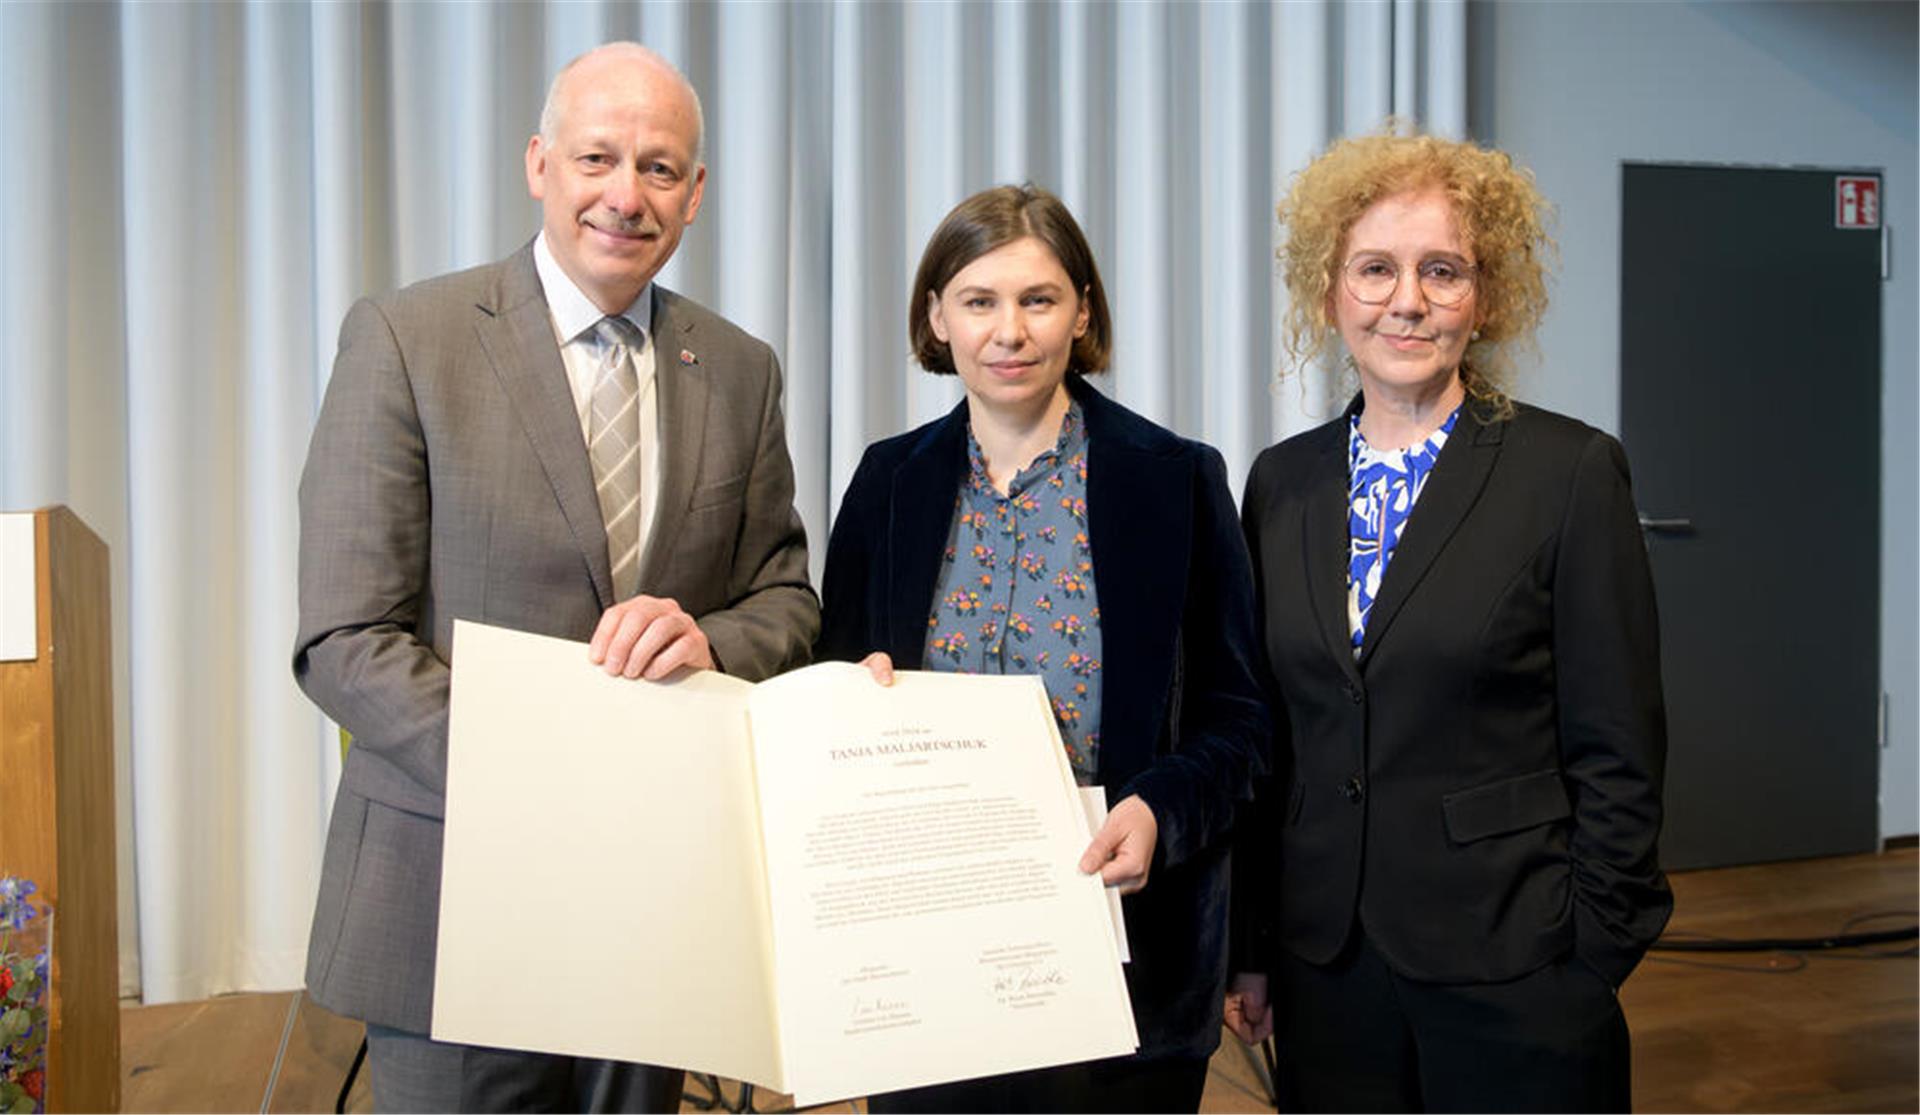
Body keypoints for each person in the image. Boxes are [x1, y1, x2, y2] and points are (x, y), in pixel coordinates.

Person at [293, 43, 817, 1112]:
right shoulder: (406, 339)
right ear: (540, 164)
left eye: (661, 169)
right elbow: (345, 635)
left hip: (657, 910)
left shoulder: (742, 369)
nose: (626, 195)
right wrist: (539, 777)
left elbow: (787, 598)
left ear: (698, 193)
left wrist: (714, 642)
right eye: (597, 158)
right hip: (453, 896)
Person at [1224, 130, 1672, 1112]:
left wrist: (1588, 953)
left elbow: (1619, 747)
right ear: (1331, 289)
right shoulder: (1281, 482)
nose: (1407, 300)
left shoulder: (1569, 473)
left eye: (1442, 270)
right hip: (1325, 964)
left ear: (1488, 292)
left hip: (1517, 957)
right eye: (1375, 269)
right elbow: (1272, 740)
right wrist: (1251, 948)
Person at [817, 184, 1268, 1113]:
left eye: (1038, 299)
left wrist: (1159, 809)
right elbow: (826, 690)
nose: (1009, 331)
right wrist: (846, 701)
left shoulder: (1179, 480)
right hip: (926, 963)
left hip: (1127, 965)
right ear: (936, 316)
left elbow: (1243, 722)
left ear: (1083, 311)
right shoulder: (885, 483)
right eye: (979, 301)